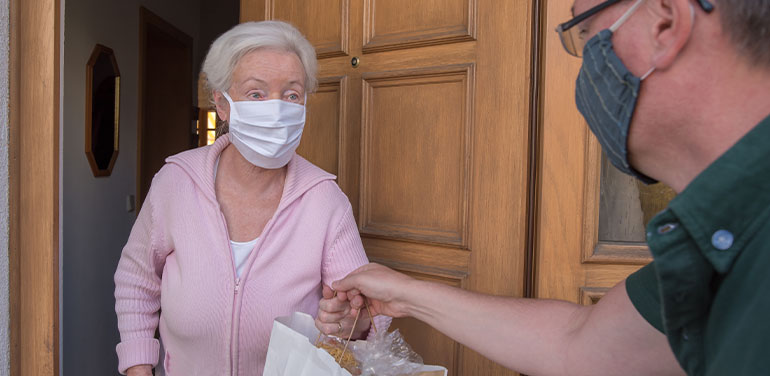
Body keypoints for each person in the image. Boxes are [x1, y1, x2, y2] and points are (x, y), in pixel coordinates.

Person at [331, 0, 770, 375]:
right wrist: (405, 293)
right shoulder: (715, 237)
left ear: (665, 22)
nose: (588, 70)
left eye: (587, 32)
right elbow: (578, 345)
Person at [114, 21, 388, 376]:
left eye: (291, 95)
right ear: (222, 104)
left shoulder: (326, 201)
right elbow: (137, 280)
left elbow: (364, 318)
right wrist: (137, 368)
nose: (276, 110)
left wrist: (354, 323)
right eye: (256, 94)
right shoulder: (175, 182)